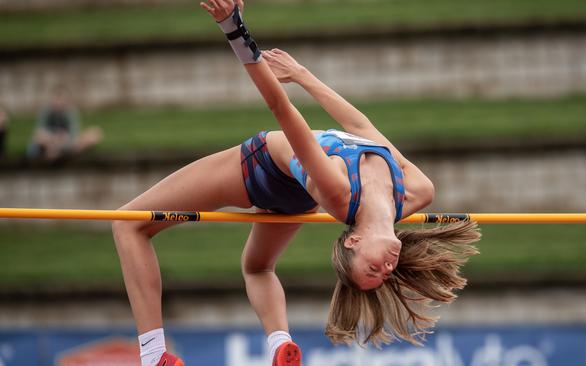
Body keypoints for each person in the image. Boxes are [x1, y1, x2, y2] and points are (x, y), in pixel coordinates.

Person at [111, 1, 481, 365]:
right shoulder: (415, 191)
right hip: (296, 199)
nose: (385, 269)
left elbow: (281, 108)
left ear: (353, 240)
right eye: (383, 275)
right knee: (258, 267)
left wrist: (233, 29)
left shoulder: (340, 191)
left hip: (259, 171)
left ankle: (153, 355)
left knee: (128, 223)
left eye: (372, 270)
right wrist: (303, 75)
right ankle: (279, 345)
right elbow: (362, 128)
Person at [26, 84, 103, 161]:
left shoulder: (70, 112)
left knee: (95, 134)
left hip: (66, 142)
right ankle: (60, 152)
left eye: (62, 99)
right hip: (50, 142)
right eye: (57, 98)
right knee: (41, 137)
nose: (59, 102)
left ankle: (60, 152)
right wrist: (54, 138)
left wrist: (64, 138)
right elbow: (39, 132)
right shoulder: (46, 111)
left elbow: (74, 133)